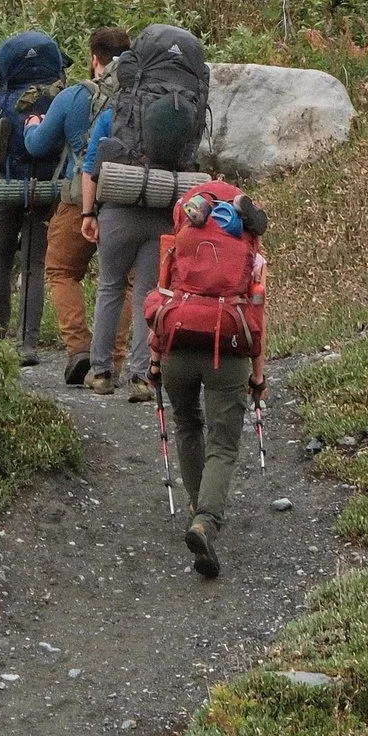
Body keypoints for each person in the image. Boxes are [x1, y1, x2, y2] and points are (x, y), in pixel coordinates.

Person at [146, 176, 268, 575]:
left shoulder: (179, 241)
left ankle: (200, 509)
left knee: (187, 424)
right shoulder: (251, 252)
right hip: (227, 347)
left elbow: (162, 295)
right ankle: (206, 520)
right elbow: (258, 316)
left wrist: (154, 360)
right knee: (224, 444)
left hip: (177, 344)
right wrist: (258, 376)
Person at [82, 23, 208, 399]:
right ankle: (141, 377)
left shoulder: (117, 111)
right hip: (164, 205)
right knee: (148, 294)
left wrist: (88, 214)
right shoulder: (187, 108)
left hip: (118, 205)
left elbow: (92, 166)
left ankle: (102, 373)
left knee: (110, 287)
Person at [0, 28, 72, 363]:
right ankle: (28, 345)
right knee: (35, 264)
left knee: (0, 262)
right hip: (46, 188)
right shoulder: (58, 98)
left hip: (4, 187)